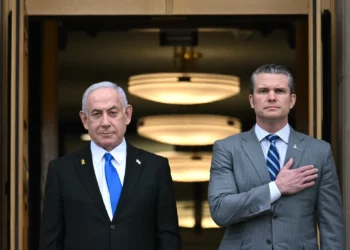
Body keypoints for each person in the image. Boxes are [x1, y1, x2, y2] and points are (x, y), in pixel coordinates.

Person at [208, 64, 344, 250]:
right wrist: (276, 188)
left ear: (292, 100)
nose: (271, 97)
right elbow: (220, 211)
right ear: (252, 100)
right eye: (263, 91)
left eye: (279, 91)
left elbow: (331, 225)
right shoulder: (227, 148)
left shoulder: (319, 151)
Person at [40, 81, 181, 250]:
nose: (105, 122)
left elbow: (168, 237)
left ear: (127, 115)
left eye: (113, 113)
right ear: (85, 120)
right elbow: (51, 240)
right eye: (97, 114)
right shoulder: (62, 171)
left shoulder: (155, 168)